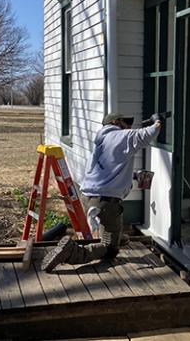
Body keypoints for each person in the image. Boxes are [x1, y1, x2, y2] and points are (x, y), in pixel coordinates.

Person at [41, 112, 162, 272]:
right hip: (106, 202)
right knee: (110, 249)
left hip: (88, 197)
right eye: (126, 121)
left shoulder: (102, 141)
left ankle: (116, 238)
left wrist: (133, 176)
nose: (129, 126)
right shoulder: (121, 136)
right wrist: (156, 120)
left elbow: (107, 169)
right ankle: (72, 253)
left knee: (111, 227)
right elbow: (151, 132)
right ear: (116, 122)